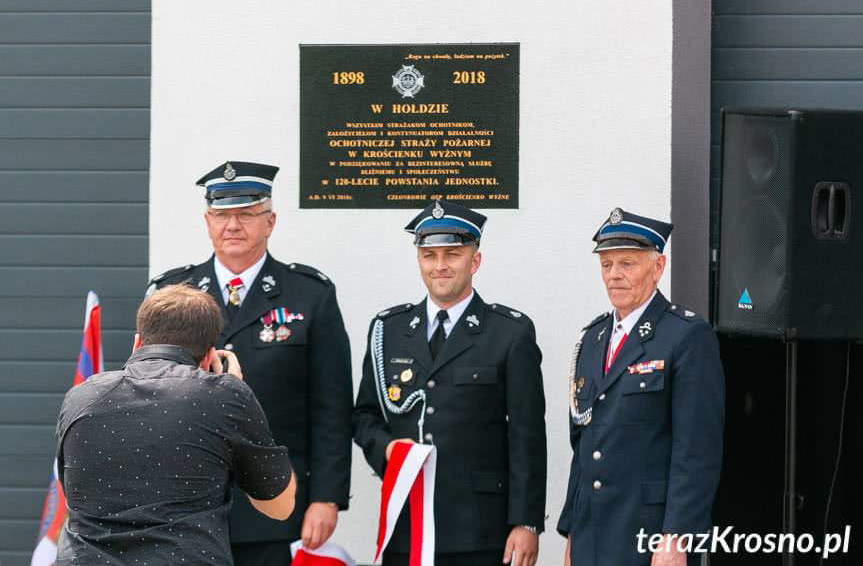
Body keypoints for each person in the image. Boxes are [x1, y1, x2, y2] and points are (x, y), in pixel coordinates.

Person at [146, 161, 352, 565]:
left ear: (270, 221)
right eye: (222, 214)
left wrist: (327, 497)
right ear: (207, 222)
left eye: (246, 214)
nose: (233, 225)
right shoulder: (171, 294)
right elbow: (147, 396)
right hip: (185, 506)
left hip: (275, 505)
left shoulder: (311, 296)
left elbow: (331, 409)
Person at [353, 200, 547, 566]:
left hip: (479, 530)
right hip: (406, 525)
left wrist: (526, 522)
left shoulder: (509, 333)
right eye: (429, 255)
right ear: (419, 261)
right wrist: (388, 450)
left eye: (452, 255)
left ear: (474, 261)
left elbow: (527, 436)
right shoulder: (388, 330)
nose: (440, 265)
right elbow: (364, 415)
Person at [55, 284, 297, 565]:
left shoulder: (80, 396)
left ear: (137, 343)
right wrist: (241, 399)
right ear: (209, 356)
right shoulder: (225, 396)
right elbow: (279, 505)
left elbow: (72, 488)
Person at [557, 208, 725, 566]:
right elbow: (583, 447)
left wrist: (677, 537)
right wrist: (572, 528)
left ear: (658, 267)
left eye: (627, 264)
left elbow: (696, 451)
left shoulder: (686, 336)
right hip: (592, 534)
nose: (614, 275)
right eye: (607, 265)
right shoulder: (592, 338)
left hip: (649, 536)